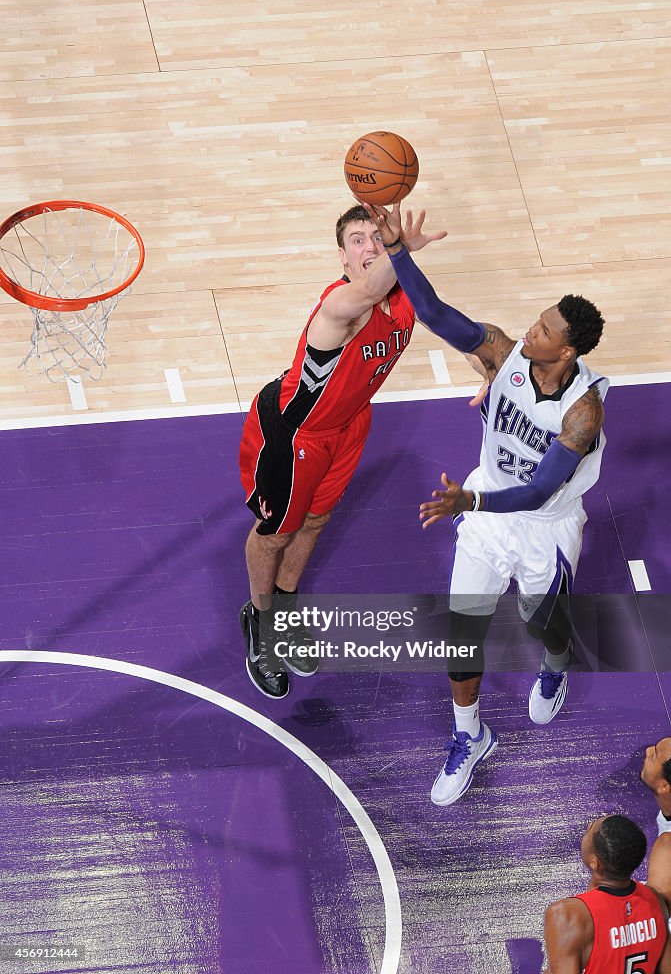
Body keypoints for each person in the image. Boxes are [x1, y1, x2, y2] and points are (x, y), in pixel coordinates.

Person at [365, 202, 607, 806]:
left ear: (569, 351)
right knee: (461, 632)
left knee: (542, 625)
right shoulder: (505, 353)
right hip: (483, 516)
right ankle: (469, 735)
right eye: (538, 319)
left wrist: (470, 498)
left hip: (543, 527)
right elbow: (435, 314)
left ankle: (555, 666)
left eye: (547, 330)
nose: (532, 330)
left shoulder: (581, 411)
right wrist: (398, 251)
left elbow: (540, 490)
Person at [238, 203, 448, 698]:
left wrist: (490, 367)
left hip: (351, 424)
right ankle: (261, 620)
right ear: (343, 256)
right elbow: (373, 287)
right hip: (296, 434)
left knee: (315, 522)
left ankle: (285, 604)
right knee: (274, 533)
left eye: (378, 236)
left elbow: (442, 317)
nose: (370, 245)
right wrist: (400, 249)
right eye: (358, 239)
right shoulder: (340, 305)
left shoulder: (405, 296)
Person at [544, 814, 671, 973]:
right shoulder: (656, 901)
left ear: (595, 863)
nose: (588, 826)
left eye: (589, 830)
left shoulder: (568, 915)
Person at [641, 736, 671, 910]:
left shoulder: (667, 847)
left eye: (654, 755)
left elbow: (653, 914)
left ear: (664, 786)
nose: (648, 751)